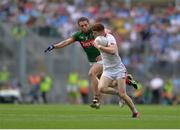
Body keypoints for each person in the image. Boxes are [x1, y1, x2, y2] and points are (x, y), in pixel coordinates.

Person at [44, 17, 139, 108]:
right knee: (110, 84)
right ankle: (125, 81)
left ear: (89, 24)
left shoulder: (94, 31)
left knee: (91, 73)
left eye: (86, 25)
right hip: (93, 62)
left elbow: (108, 32)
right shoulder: (78, 35)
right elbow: (66, 42)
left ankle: (96, 99)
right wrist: (54, 46)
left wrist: (104, 47)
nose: (84, 27)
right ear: (79, 26)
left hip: (103, 60)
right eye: (81, 26)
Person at [92, 23, 139, 117]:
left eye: (95, 33)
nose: (94, 35)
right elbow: (106, 30)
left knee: (123, 95)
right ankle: (124, 84)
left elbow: (113, 51)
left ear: (99, 32)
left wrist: (99, 47)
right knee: (101, 88)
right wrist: (101, 56)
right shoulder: (101, 36)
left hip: (118, 69)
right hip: (108, 69)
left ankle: (135, 112)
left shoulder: (110, 38)